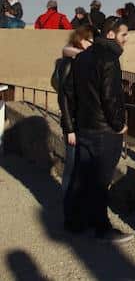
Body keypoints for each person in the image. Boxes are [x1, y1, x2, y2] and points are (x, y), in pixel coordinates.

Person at [64, 16, 133, 243]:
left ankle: (74, 222)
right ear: (111, 35)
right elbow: (110, 97)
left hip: (85, 127)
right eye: (124, 35)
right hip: (105, 130)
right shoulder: (110, 60)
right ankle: (101, 228)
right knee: (101, 181)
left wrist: (72, 125)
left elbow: (70, 93)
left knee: (82, 177)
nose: (126, 40)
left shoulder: (82, 58)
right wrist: (119, 124)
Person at [52, 25, 95, 197]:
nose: (93, 44)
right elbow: (64, 97)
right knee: (72, 165)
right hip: (74, 123)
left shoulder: (78, 60)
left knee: (80, 166)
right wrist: (69, 128)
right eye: (91, 41)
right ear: (82, 40)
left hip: (82, 121)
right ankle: (68, 204)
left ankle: (74, 203)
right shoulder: (70, 63)